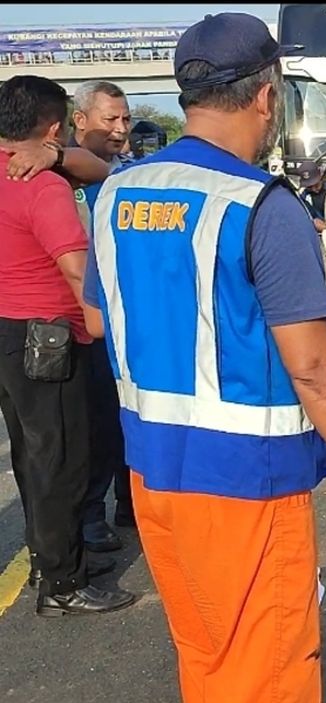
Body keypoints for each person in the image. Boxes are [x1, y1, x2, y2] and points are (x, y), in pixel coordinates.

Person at [82, 13, 326, 703]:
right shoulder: (264, 207)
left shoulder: (119, 194)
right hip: (248, 492)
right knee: (269, 684)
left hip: (155, 482)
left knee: (212, 663)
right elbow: (317, 370)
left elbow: (95, 318)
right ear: (267, 96)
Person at [0, 75, 137, 616]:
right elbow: (77, 267)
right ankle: (62, 585)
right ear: (56, 125)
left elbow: (100, 168)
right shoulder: (42, 186)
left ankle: (54, 558)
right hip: (51, 337)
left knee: (34, 458)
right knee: (62, 463)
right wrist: (108, 325)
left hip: (10, 333)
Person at [70, 80, 135, 553]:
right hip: (81, 322)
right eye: (109, 119)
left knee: (129, 414)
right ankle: (91, 516)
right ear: (79, 122)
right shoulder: (60, 176)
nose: (119, 129)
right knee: (94, 427)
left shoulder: (129, 173)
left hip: (127, 317)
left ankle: (131, 501)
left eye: (125, 119)